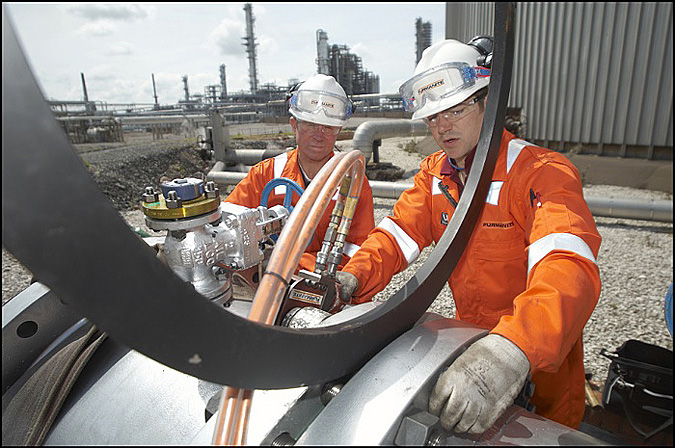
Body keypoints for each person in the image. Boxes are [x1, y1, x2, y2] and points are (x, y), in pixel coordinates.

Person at [336, 38, 602, 434]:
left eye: (455, 110)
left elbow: (567, 266)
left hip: (539, 368)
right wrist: (351, 278)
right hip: (469, 351)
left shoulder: (540, 172)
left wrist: (512, 349)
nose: (443, 127)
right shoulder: (437, 177)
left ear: (486, 102)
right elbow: (396, 235)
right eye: (432, 118)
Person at [225, 74, 375, 274]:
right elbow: (229, 225)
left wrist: (295, 263)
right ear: (294, 126)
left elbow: (360, 248)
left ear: (338, 130)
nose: (319, 135)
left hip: (326, 285)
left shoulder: (353, 182)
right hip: (266, 282)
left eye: (327, 128)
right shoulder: (266, 174)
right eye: (310, 124)